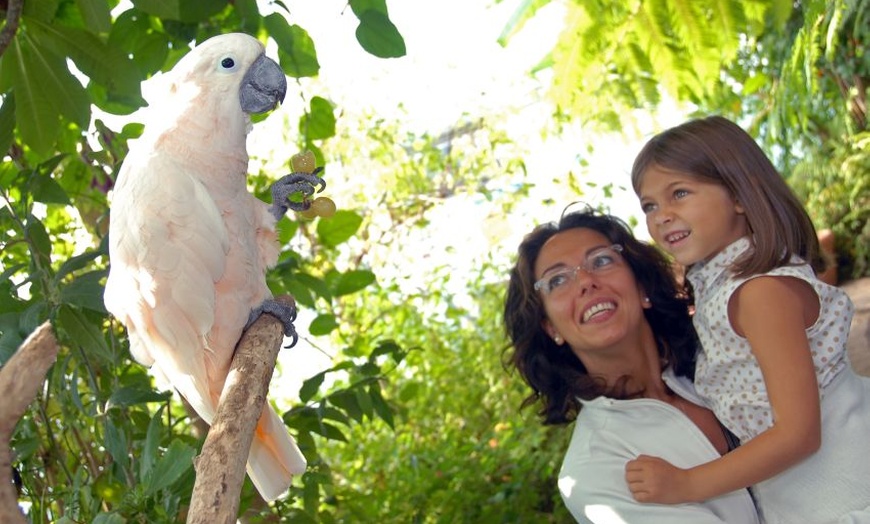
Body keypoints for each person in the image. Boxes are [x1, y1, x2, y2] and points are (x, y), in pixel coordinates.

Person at [630, 115, 870, 523]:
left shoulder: (760, 293)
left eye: (680, 193)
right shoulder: (724, 288)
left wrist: (686, 484)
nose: (661, 215)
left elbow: (799, 434)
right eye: (649, 205)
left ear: (739, 195)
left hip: (848, 491)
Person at [503, 205, 759, 524]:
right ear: (551, 328)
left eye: (601, 260)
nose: (585, 281)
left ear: (642, 288)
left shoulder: (726, 355)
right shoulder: (594, 470)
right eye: (556, 281)